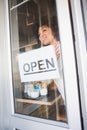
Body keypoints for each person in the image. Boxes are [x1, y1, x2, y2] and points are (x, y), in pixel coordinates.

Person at [38, 24, 65, 103]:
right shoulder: (48, 55)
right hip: (68, 99)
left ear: (53, 30)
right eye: (39, 34)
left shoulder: (66, 47)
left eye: (44, 30)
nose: (41, 35)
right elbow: (47, 80)